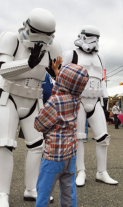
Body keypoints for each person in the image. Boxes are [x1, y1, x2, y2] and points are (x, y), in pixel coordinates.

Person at [0, 8, 62, 206]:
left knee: (37, 146)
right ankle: (2, 194)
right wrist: (28, 63)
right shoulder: (10, 38)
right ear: (27, 26)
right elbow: (3, 70)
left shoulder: (53, 46)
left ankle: (31, 189)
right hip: (10, 98)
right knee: (4, 144)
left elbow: (57, 72)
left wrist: (59, 74)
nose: (41, 39)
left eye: (47, 35)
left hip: (33, 101)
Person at [57, 25, 118, 187]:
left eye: (97, 38)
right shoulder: (71, 54)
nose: (95, 41)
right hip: (77, 100)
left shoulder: (100, 57)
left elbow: (102, 79)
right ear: (82, 36)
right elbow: (61, 77)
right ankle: (81, 171)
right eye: (91, 37)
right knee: (79, 138)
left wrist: (105, 99)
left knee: (103, 137)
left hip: (96, 100)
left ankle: (102, 171)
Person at [34, 63, 89, 207]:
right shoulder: (77, 99)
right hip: (71, 155)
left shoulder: (54, 102)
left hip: (53, 156)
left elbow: (39, 125)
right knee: (68, 191)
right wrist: (57, 71)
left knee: (44, 191)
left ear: (62, 81)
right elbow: (67, 86)